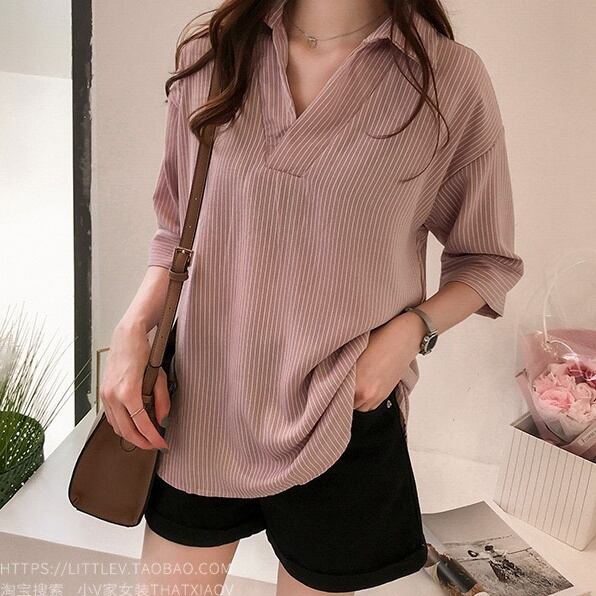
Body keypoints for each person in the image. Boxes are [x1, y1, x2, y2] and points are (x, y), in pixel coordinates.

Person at [100, 0, 525, 594]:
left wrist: (410, 332)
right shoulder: (215, 53)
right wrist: (129, 332)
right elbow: (178, 230)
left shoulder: (446, 80)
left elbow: (487, 260)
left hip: (342, 411)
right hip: (203, 404)